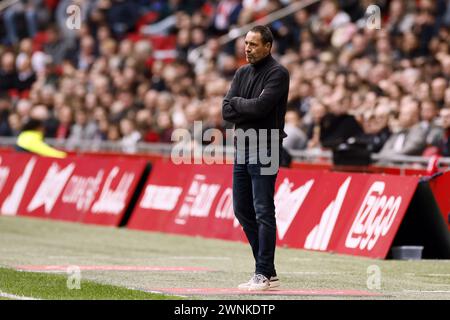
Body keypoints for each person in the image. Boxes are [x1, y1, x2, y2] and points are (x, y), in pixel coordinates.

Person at [222, 25, 289, 291]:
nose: (247, 48)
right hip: (243, 146)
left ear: (268, 46)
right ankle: (268, 271)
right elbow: (226, 111)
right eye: (246, 44)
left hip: (267, 146)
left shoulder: (278, 73)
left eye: (253, 44)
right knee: (242, 209)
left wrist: (237, 103)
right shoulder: (241, 72)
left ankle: (262, 272)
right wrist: (241, 105)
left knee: (263, 210)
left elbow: (261, 108)